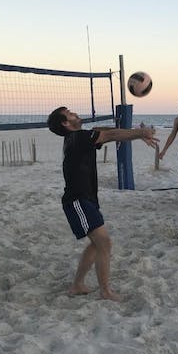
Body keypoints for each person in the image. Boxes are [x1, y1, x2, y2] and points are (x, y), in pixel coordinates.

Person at [48, 106, 159, 302]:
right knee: (104, 243)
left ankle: (77, 285)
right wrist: (140, 132)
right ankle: (105, 291)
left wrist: (134, 133)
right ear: (65, 123)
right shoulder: (78, 138)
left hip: (87, 199)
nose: (75, 113)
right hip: (77, 201)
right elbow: (112, 134)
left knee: (96, 244)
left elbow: (106, 131)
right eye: (70, 114)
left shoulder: (78, 137)